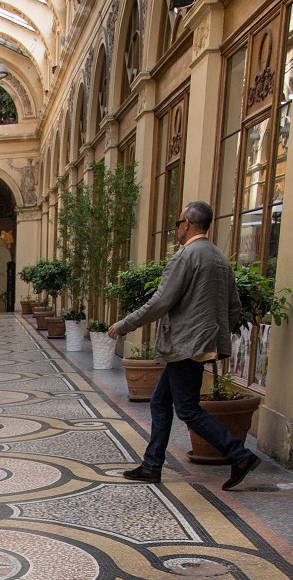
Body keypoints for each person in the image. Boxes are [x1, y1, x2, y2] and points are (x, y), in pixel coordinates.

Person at [108, 200, 260, 490]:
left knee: (187, 409)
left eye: (178, 223)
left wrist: (125, 324)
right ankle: (152, 465)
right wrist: (215, 336)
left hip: (186, 344)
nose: (177, 228)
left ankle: (240, 455)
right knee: (160, 401)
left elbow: (161, 301)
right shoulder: (219, 258)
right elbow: (234, 307)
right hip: (199, 342)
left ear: (187, 224)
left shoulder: (187, 256)